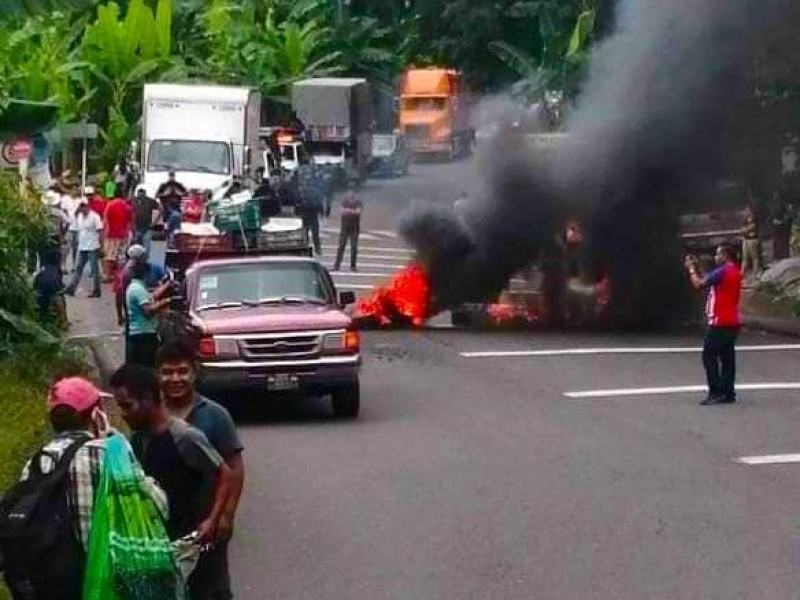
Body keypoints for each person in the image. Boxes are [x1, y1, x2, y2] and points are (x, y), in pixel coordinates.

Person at [5, 377, 166, 600]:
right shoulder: (109, 453)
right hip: (106, 581)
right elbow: (158, 506)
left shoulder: (35, 463)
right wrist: (113, 437)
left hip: (54, 584)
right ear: (95, 414)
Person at [109, 364, 235, 600]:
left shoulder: (186, 437)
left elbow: (225, 474)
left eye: (127, 406)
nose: (123, 414)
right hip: (164, 543)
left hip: (197, 542)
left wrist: (213, 520)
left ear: (147, 399)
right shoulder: (137, 439)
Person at [156, 341, 245, 600]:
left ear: (194, 372)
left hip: (206, 521)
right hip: (163, 524)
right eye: (167, 372)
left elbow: (235, 468)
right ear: (157, 374)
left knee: (210, 587)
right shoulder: (151, 414)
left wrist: (226, 516)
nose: (175, 379)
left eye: (182, 371)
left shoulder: (215, 416)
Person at [685, 244, 743, 406]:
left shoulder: (724, 271)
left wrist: (691, 269)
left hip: (720, 321)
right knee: (727, 357)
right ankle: (728, 391)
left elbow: (699, 283)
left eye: (718, 254)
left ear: (725, 255)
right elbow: (709, 279)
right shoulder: (734, 271)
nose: (716, 257)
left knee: (708, 355)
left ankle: (715, 391)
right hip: (732, 321)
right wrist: (698, 267)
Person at [126, 260, 171, 366]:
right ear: (146, 274)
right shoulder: (138, 290)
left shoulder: (135, 287)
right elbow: (148, 311)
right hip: (144, 334)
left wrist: (167, 285)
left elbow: (151, 297)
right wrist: (166, 302)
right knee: (147, 365)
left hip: (140, 333)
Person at [65, 200, 104, 298]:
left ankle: (97, 290)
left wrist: (101, 246)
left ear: (87, 207)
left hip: (93, 247)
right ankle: (71, 288)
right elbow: (75, 222)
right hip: (82, 247)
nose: (82, 209)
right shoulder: (80, 217)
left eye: (83, 207)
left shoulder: (95, 217)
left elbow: (100, 232)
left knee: (95, 270)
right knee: (78, 268)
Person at [33, 247, 67, 327]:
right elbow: (59, 285)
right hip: (54, 292)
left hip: (41, 294)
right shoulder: (57, 270)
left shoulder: (41, 270)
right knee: (60, 296)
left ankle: (40, 317)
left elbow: (35, 284)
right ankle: (64, 319)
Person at [333, 183, 363, 272]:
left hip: (354, 228)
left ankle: (353, 266)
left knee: (354, 247)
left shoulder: (358, 202)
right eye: (349, 192)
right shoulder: (344, 201)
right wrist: (352, 211)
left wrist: (348, 211)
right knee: (341, 246)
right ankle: (337, 265)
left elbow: (358, 212)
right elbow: (342, 211)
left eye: (352, 192)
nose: (350, 194)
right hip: (345, 227)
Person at [103, 193, 133, 281]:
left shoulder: (110, 205)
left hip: (112, 234)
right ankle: (120, 276)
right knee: (121, 257)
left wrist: (104, 234)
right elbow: (130, 222)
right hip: (124, 235)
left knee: (110, 256)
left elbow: (106, 220)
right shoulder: (127, 207)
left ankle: (108, 276)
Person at [295, 168, 323, 255]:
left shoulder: (311, 191)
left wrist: (320, 210)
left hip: (310, 214)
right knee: (309, 233)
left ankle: (315, 248)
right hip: (308, 214)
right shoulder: (303, 191)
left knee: (312, 233)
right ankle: (312, 248)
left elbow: (318, 202)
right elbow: (297, 202)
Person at [132, 188, 159, 255]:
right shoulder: (133, 201)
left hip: (146, 227)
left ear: (145, 195)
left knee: (146, 249)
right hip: (135, 228)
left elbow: (161, 210)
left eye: (142, 195)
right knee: (135, 249)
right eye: (139, 195)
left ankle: (144, 263)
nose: (141, 197)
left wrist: (154, 222)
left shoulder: (150, 201)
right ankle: (137, 263)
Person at [741, 202, 761, 281]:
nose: (746, 212)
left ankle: (755, 274)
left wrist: (746, 229)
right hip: (746, 239)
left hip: (753, 240)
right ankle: (742, 275)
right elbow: (743, 229)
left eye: (747, 210)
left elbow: (752, 228)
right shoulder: (745, 219)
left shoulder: (755, 218)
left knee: (755, 258)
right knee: (744, 258)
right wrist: (746, 230)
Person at [771, 193, 792, 261]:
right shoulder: (775, 204)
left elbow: (786, 214)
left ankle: (782, 255)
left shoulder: (781, 204)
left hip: (781, 224)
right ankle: (778, 255)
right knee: (777, 241)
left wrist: (782, 221)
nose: (775, 197)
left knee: (781, 241)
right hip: (777, 224)